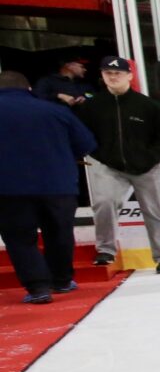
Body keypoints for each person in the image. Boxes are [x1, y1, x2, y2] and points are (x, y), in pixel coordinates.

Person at [0, 70, 96, 303]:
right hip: (58, 185)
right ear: (29, 89)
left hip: (9, 188)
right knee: (59, 233)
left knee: (20, 238)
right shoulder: (56, 111)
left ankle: (38, 287)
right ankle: (62, 280)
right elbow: (87, 143)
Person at [77, 57, 160, 273]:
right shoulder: (92, 106)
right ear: (102, 76)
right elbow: (83, 135)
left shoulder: (149, 106)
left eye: (117, 73)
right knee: (104, 202)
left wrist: (150, 158)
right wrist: (99, 155)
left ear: (130, 76)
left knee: (155, 210)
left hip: (146, 167)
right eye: (108, 73)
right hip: (107, 165)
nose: (112, 77)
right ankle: (106, 250)